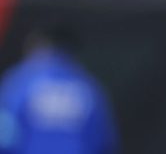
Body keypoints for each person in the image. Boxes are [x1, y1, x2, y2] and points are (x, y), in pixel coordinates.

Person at [0, 24, 119, 154]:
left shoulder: (21, 81)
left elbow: (5, 136)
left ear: (40, 45)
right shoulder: (88, 86)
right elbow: (104, 142)